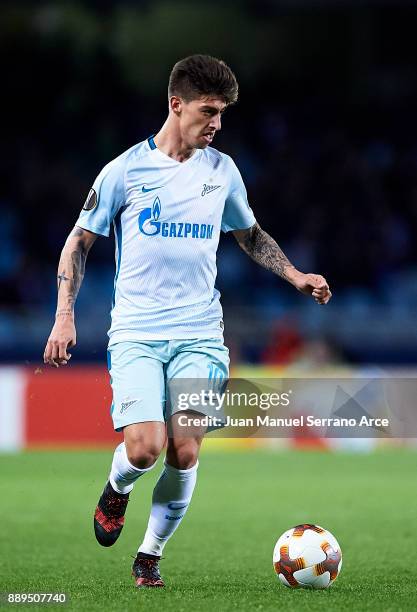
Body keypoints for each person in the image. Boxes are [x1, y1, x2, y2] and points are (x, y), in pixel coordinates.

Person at [43, 54, 332, 588]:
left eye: (222, 113)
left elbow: (249, 233)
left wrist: (294, 275)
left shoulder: (221, 171)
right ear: (177, 105)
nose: (217, 124)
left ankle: (149, 556)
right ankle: (117, 488)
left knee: (185, 444)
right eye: (209, 111)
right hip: (136, 333)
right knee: (144, 448)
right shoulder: (124, 171)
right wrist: (64, 317)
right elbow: (78, 242)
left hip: (201, 332)